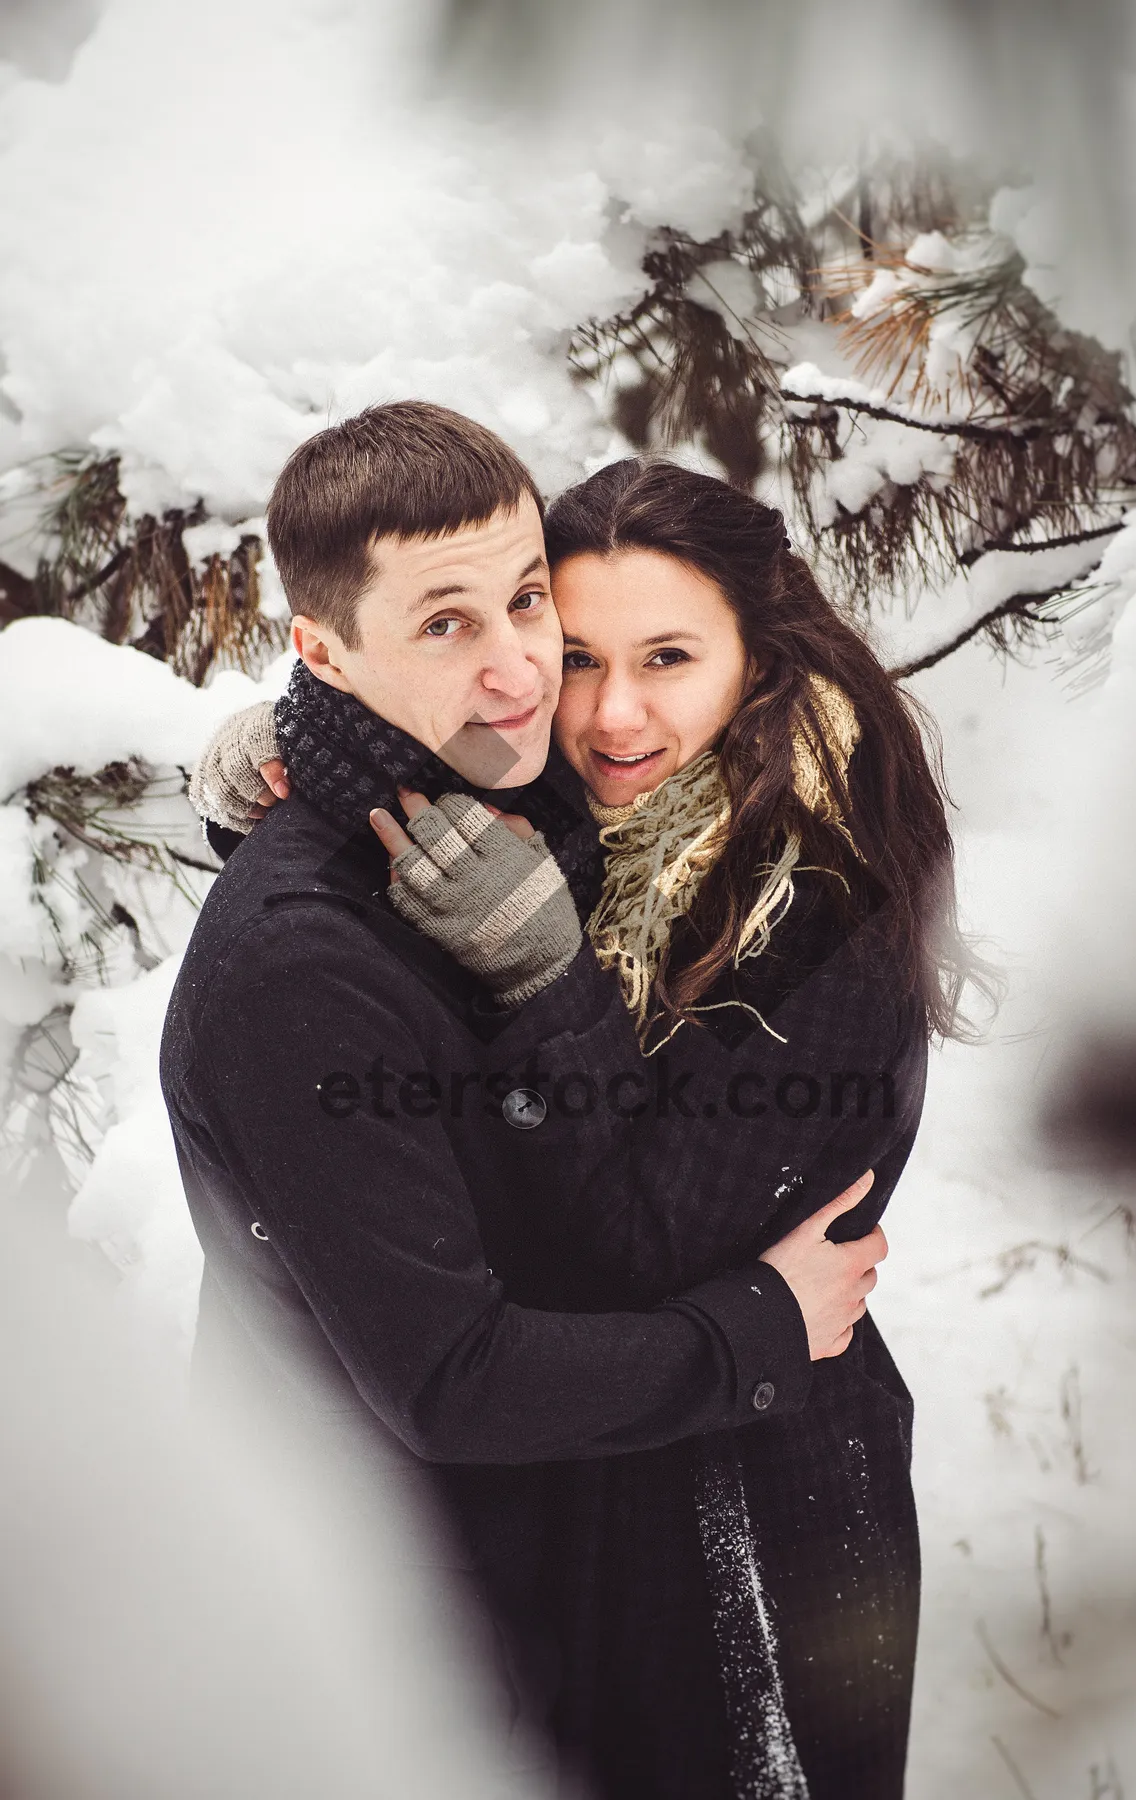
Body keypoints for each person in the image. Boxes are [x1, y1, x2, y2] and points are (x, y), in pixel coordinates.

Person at [192, 429, 973, 1799]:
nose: (607, 715)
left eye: (670, 658)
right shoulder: (571, 801)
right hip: (576, 1495)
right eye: (585, 653)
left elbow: (634, 1247)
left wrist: (550, 980)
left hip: (760, 1498)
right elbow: (418, 689)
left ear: (759, 662)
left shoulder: (825, 911)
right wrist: (302, 754)